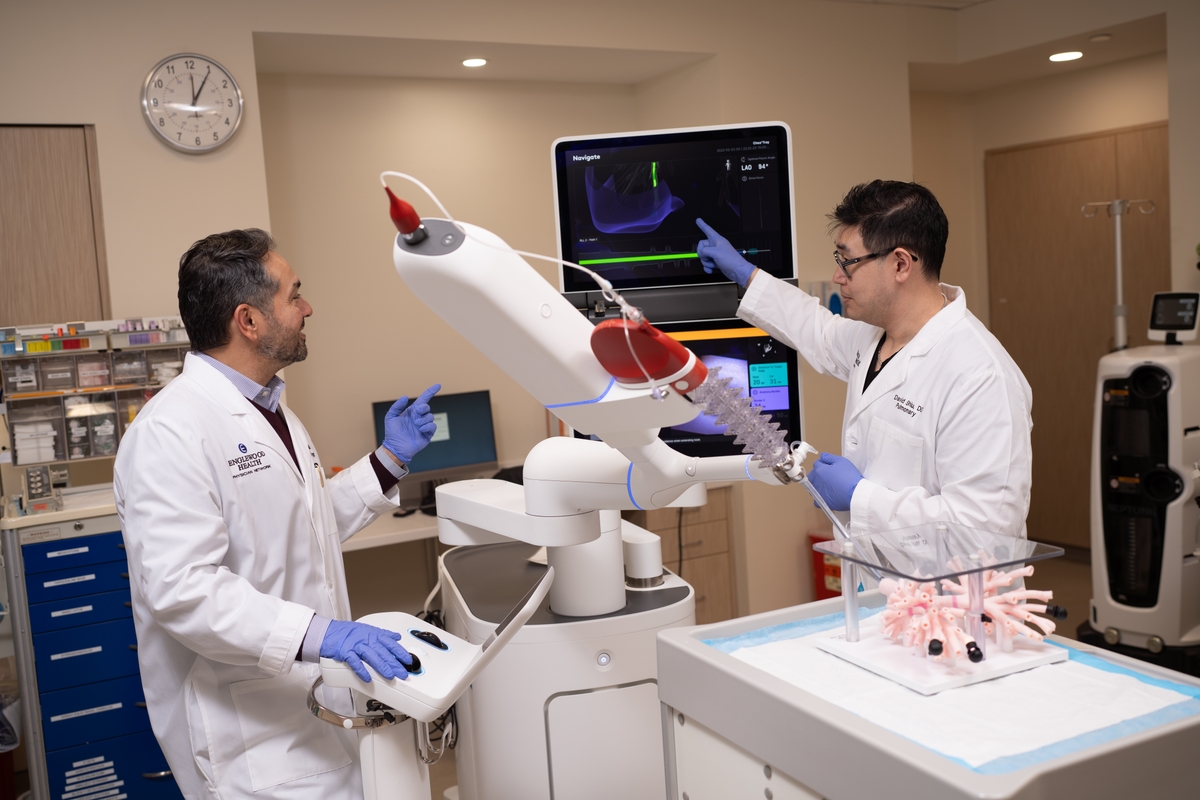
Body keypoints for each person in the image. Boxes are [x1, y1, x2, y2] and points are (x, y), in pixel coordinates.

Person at [114, 229, 441, 799]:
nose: (307, 308)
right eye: (294, 295)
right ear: (248, 320)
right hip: (248, 733)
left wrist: (388, 460)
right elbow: (183, 590)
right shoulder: (171, 430)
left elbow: (299, 527)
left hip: (310, 709)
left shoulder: (271, 409)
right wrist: (322, 634)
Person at [695, 180, 1032, 537]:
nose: (837, 276)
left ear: (900, 264)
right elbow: (817, 330)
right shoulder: (873, 336)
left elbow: (986, 527)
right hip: (874, 569)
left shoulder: (981, 377)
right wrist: (746, 275)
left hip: (948, 576)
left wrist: (860, 496)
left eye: (848, 261)